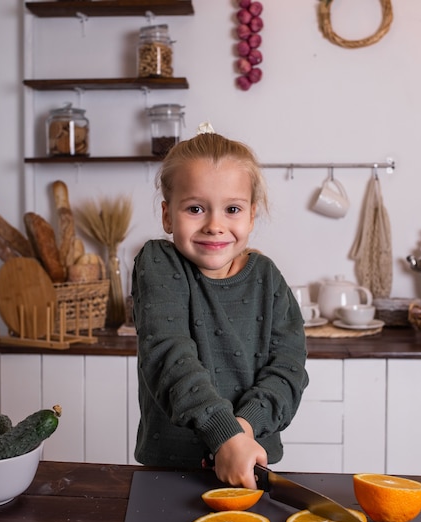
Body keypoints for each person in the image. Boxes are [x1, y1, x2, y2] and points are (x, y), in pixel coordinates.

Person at [132, 124, 309, 489]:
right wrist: (223, 434)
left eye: (232, 209)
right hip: (171, 468)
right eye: (195, 208)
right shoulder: (158, 262)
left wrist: (240, 432)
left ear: (251, 216)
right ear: (167, 216)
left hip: (249, 466)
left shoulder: (268, 277)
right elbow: (170, 356)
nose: (215, 225)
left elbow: (288, 370)